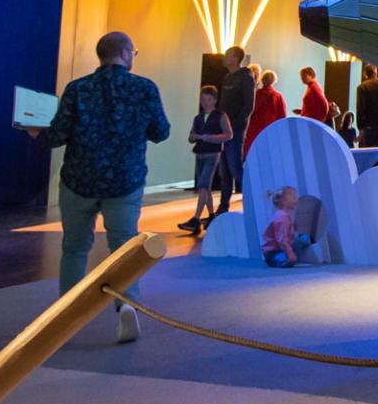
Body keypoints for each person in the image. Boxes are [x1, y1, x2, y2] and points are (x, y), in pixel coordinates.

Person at [35, 30, 169, 343]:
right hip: (124, 180)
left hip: (79, 180)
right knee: (123, 248)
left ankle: (66, 315)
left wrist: (35, 132)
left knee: (74, 248)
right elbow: (161, 131)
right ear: (124, 53)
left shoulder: (77, 89)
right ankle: (126, 307)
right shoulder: (145, 88)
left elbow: (57, 136)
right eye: (133, 51)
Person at [177, 84, 232, 235]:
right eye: (203, 99)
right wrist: (193, 137)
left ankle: (195, 219)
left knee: (203, 184)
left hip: (213, 153)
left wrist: (211, 138)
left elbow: (228, 134)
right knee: (205, 186)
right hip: (200, 152)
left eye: (208, 99)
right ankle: (212, 215)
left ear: (214, 100)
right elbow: (190, 137)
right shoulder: (198, 118)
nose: (205, 103)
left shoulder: (221, 116)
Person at [217, 45, 255, 217]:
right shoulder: (227, 78)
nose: (224, 57)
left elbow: (248, 106)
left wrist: (236, 125)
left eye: (227, 55)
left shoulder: (245, 77)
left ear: (235, 58)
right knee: (224, 169)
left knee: (235, 167)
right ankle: (223, 207)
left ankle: (254, 202)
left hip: (235, 130)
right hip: (224, 129)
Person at [260, 186, 312, 267]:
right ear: (283, 201)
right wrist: (290, 254)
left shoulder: (284, 215)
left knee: (304, 239)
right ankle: (275, 260)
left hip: (282, 247)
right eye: (294, 197)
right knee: (287, 259)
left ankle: (285, 256)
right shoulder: (282, 217)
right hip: (273, 251)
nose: (296, 200)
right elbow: (282, 240)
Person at [246, 69, 286, 156]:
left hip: (254, 129)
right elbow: (282, 116)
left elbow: (249, 111)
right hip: (270, 128)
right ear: (273, 81)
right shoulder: (278, 96)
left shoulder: (256, 94)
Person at [355, 64, 378, 151]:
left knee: (368, 152)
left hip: (369, 126)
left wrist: (361, 127)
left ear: (365, 74)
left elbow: (361, 108)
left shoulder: (362, 87)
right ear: (376, 72)